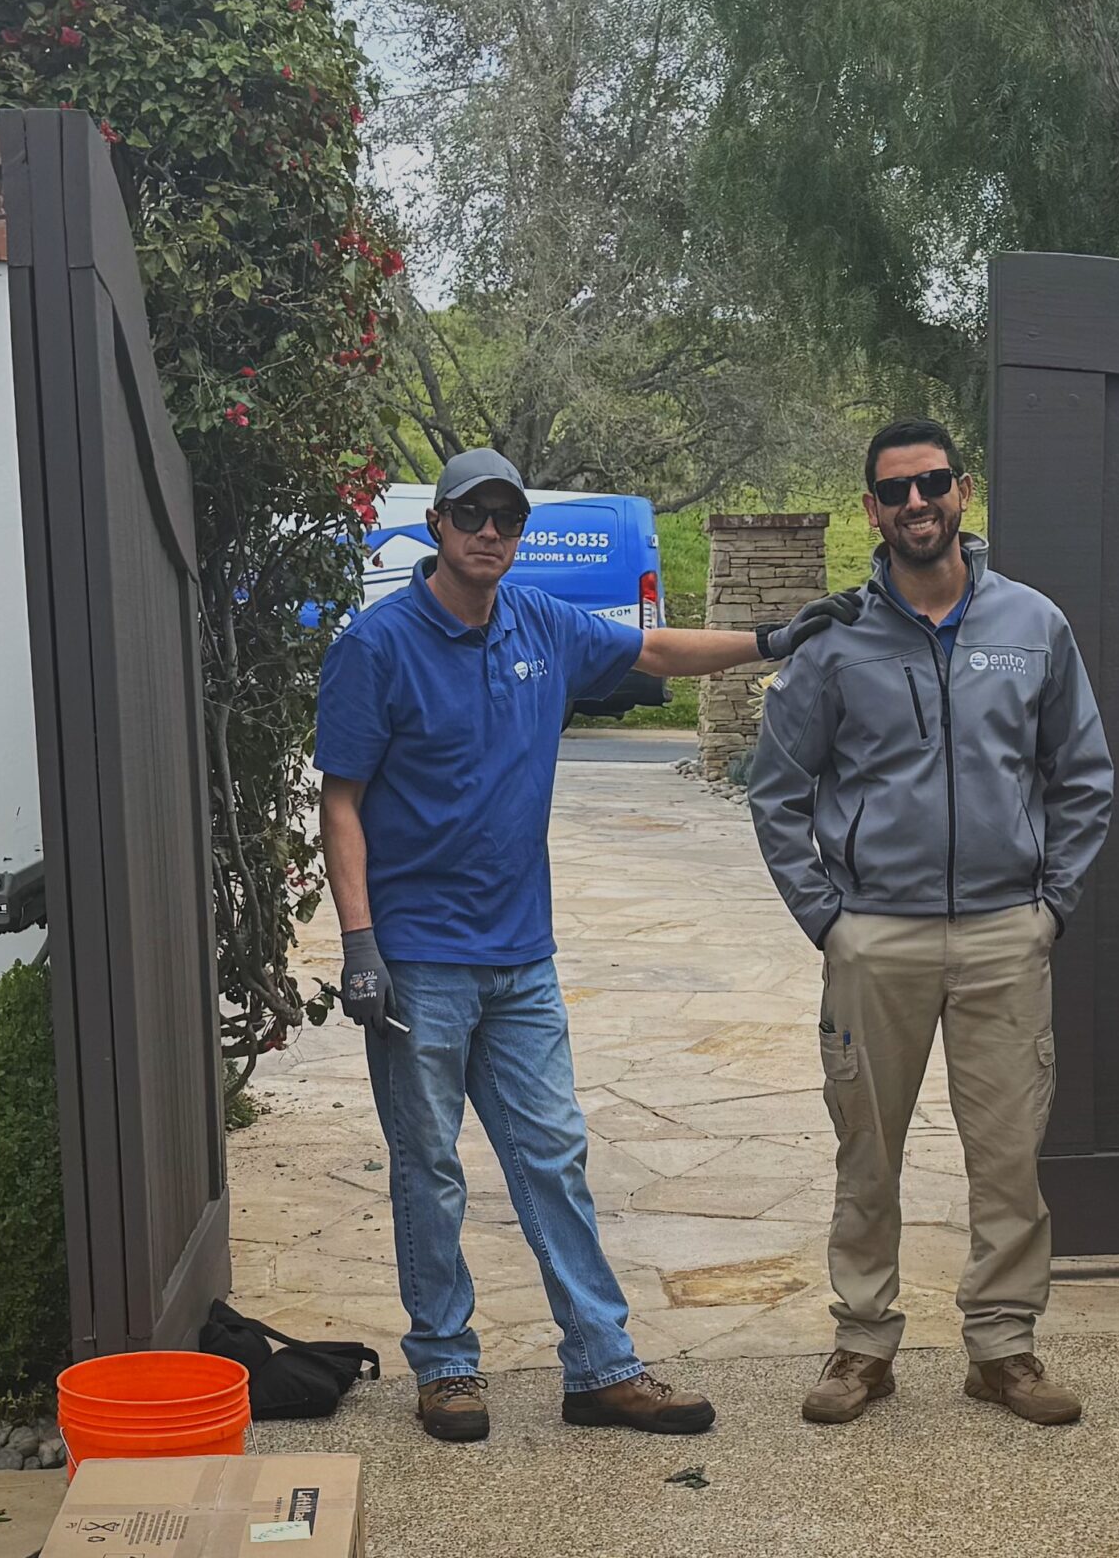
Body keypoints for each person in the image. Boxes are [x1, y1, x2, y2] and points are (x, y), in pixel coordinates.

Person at [315, 447, 861, 1443]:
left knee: (554, 1154)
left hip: (520, 953)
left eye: (507, 516)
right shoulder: (377, 644)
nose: (491, 531)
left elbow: (653, 652)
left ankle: (600, 1364)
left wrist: (771, 636)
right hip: (419, 957)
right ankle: (445, 1364)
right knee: (428, 1162)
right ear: (438, 524)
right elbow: (340, 800)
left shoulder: (540, 623)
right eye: (473, 513)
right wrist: (359, 942)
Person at [748, 418, 1113, 1427]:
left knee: (1008, 1155)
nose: (916, 503)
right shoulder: (836, 639)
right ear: (871, 507)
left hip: (1005, 934)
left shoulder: (1032, 624)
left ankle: (1002, 1346)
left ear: (963, 491)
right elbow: (775, 788)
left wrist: (1051, 907)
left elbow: (1081, 775)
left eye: (933, 483)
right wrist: (829, 919)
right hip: (876, 938)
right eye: (895, 490)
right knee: (867, 1153)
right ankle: (862, 1342)